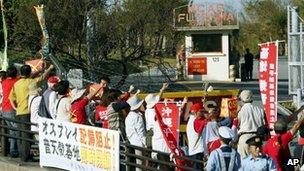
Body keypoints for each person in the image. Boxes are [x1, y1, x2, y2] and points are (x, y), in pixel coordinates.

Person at [9, 64, 53, 162]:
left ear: (20, 73)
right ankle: (25, 157)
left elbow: (11, 97)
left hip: (19, 112)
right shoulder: (31, 82)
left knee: (20, 134)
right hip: (27, 112)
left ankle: (22, 155)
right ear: (30, 73)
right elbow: (43, 77)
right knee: (26, 136)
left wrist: (15, 107)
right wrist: (49, 69)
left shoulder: (17, 83)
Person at [237, 90, 265, 159]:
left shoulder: (241, 111)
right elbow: (263, 124)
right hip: (256, 137)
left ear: (241, 99)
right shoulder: (259, 110)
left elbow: (237, 124)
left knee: (243, 163)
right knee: (258, 161)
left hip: (244, 137)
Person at [1, 66, 19, 157]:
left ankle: (13, 150)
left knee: (12, 131)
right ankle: (18, 151)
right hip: (11, 109)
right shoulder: (16, 82)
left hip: (4, 109)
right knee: (18, 130)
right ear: (16, 73)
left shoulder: (4, 82)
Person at [144, 83, 168, 148]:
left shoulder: (147, 110)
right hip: (154, 132)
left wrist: (162, 89)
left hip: (149, 132)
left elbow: (158, 98)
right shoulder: (154, 112)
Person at [125, 95, 146, 171]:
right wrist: (145, 143)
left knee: (138, 163)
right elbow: (141, 132)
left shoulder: (128, 116)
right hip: (140, 143)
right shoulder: (138, 117)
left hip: (132, 141)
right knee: (141, 164)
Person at [186, 102, 206, 170]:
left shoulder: (190, 121)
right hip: (197, 152)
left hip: (193, 151)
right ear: (195, 112)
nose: (203, 113)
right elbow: (199, 129)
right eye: (201, 111)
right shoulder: (195, 121)